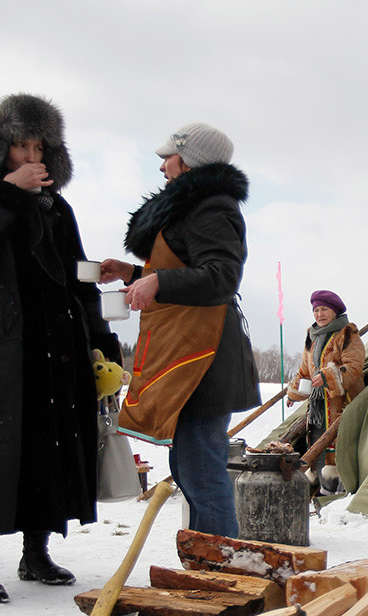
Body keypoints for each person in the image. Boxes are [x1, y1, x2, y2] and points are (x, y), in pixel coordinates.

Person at [0, 94, 122, 603]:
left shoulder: (57, 205)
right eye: (21, 145)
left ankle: (36, 553)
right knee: (1, 447)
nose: (31, 156)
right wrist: (7, 193)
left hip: (62, 343)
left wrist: (102, 342)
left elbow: (79, 277)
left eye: (39, 146)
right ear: (0, 147)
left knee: (54, 443)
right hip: (7, 341)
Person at [99, 123, 259, 537]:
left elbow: (222, 277)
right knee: (191, 466)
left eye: (167, 157)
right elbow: (188, 267)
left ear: (188, 161)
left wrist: (159, 283)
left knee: (202, 470)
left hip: (203, 357)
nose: (162, 166)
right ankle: (212, 563)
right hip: (188, 352)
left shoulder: (213, 208)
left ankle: (220, 567)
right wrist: (137, 272)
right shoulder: (196, 207)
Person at [285, 290, 365, 493]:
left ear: (335, 311)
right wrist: (294, 393)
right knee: (318, 444)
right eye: (316, 310)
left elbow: (354, 366)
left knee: (338, 449)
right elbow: (305, 370)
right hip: (319, 406)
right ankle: (321, 490)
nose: (319, 314)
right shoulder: (311, 336)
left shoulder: (348, 333)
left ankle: (338, 493)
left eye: (324, 310)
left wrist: (329, 376)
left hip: (343, 403)